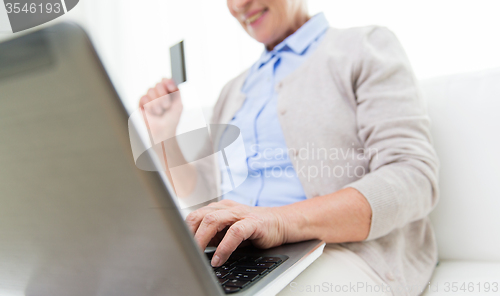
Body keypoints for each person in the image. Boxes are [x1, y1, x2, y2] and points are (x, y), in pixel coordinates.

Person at [139, 0, 439, 295]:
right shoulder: (232, 90)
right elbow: (202, 192)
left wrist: (278, 220)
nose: (240, 4)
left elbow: (413, 176)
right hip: (235, 256)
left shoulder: (363, 47)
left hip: (341, 253)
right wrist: (163, 135)